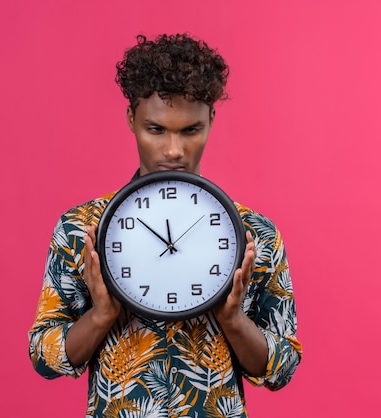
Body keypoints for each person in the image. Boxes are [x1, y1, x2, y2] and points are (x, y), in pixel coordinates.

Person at [28, 33, 302, 417]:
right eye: (156, 129)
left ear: (211, 120)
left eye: (190, 130)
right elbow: (44, 356)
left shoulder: (256, 234)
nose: (174, 150)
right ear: (131, 120)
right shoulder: (81, 228)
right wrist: (102, 314)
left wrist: (233, 320)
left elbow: (282, 367)